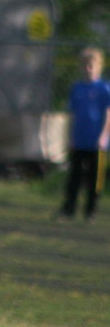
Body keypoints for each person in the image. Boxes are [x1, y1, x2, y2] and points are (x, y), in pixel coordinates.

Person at [56, 47, 110, 222]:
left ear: (98, 67)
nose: (88, 69)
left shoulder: (104, 89)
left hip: (96, 142)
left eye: (92, 65)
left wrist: (103, 136)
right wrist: (69, 137)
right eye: (85, 65)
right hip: (79, 140)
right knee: (74, 177)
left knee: (95, 180)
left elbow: (108, 114)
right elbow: (72, 115)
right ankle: (68, 210)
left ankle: (90, 212)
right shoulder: (77, 88)